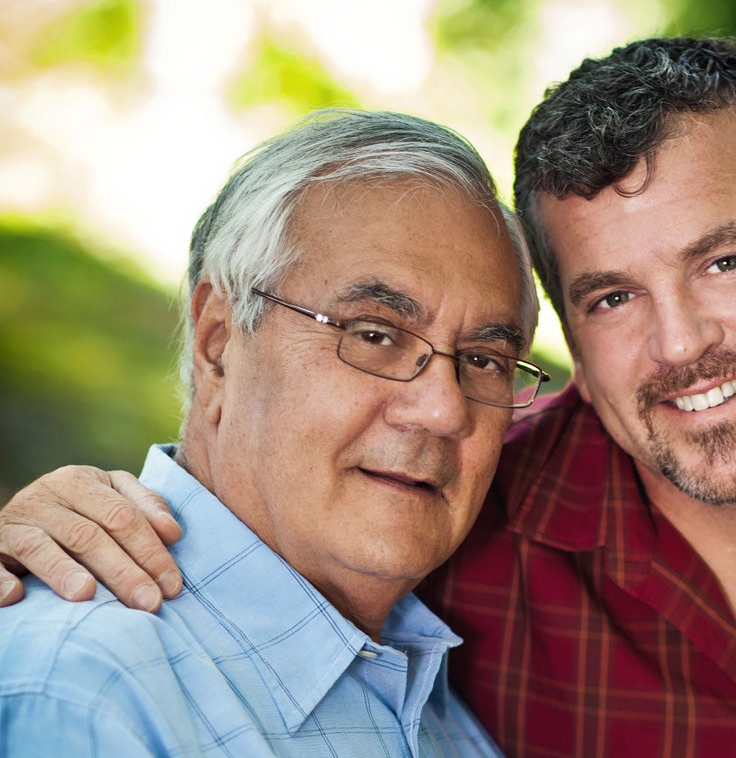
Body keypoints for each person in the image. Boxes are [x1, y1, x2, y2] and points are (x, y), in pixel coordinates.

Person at [3, 35, 736, 757]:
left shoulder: (415, 653)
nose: (680, 343)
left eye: (723, 262)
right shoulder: (464, 521)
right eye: (612, 295)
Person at [0, 108, 551, 756]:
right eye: (373, 334)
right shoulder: (86, 687)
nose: (443, 410)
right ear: (217, 344)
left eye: (484, 360)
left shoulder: (436, 702)